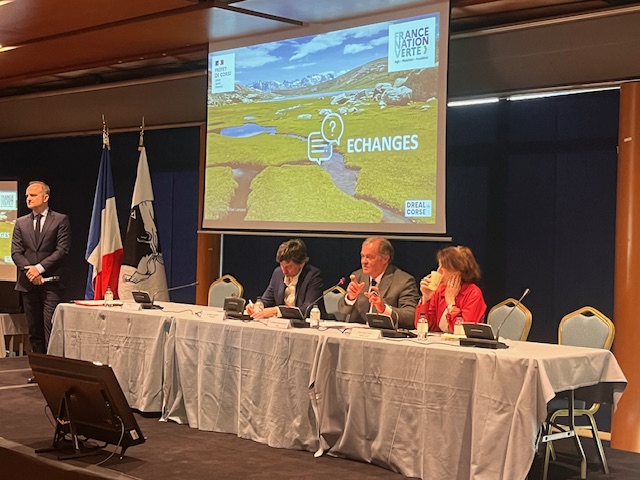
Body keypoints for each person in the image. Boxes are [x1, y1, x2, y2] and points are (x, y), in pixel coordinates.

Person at [11, 181, 71, 373]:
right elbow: (16, 253)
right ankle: (39, 371)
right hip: (28, 283)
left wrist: (39, 268)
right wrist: (31, 272)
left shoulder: (60, 220)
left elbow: (62, 250)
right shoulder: (20, 223)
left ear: (45, 197)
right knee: (34, 330)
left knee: (49, 327)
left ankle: (52, 371)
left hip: (51, 283)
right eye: (27, 196)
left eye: (33, 195)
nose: (28, 199)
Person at [337, 237, 419, 329]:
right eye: (362, 256)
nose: (364, 261)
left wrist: (384, 309)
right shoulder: (358, 276)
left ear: (385, 259)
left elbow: (411, 316)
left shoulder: (403, 281)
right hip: (357, 333)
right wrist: (350, 298)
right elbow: (342, 310)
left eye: (369, 257)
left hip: (385, 334)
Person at [415, 245, 486, 333]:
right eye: (439, 266)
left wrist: (451, 303)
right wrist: (425, 299)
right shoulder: (439, 291)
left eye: (444, 267)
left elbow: (463, 330)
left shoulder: (473, 293)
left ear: (459, 271)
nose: (439, 271)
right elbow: (423, 327)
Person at [247, 238, 324, 319]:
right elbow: (266, 300)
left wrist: (277, 311)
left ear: (301, 263)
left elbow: (307, 309)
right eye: (282, 265)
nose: (284, 271)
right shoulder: (278, 273)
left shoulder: (313, 276)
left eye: (289, 267)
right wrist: (256, 306)